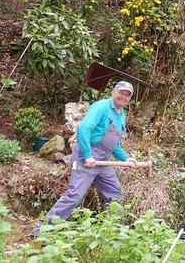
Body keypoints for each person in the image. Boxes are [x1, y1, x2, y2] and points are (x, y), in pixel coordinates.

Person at [30, 81, 138, 238]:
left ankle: (113, 234)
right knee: (75, 194)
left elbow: (115, 144)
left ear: (130, 99)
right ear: (114, 92)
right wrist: (88, 155)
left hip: (103, 160)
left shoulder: (121, 116)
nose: (124, 96)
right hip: (86, 156)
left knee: (115, 194)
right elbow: (83, 128)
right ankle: (41, 232)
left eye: (128, 95)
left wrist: (126, 158)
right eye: (121, 92)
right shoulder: (102, 106)